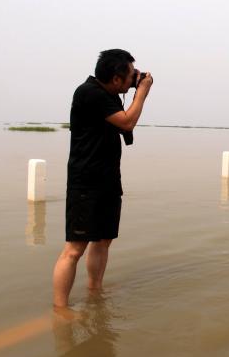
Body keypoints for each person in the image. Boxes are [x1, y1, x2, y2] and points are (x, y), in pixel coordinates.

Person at [52, 49, 153, 308]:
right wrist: (142, 91)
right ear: (116, 79)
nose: (135, 78)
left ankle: (94, 291)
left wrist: (134, 86)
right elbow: (127, 123)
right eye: (130, 75)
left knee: (103, 240)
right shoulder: (89, 93)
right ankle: (60, 308)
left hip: (108, 178)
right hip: (85, 181)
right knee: (74, 249)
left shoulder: (108, 94)